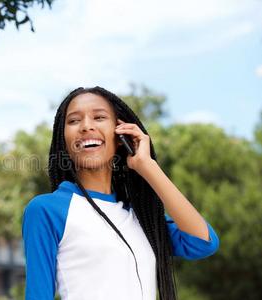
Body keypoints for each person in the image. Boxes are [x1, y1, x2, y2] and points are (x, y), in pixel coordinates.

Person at [21, 86, 220, 300]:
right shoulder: (47, 210)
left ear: (120, 133)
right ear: (64, 139)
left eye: (99, 117)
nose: (86, 126)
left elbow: (203, 242)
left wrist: (147, 166)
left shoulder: (142, 216)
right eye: (74, 121)